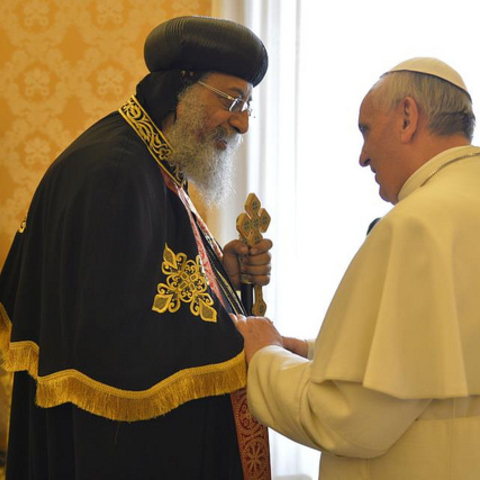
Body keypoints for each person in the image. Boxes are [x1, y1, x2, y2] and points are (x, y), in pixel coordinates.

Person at [0, 16, 273, 479]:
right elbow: (111, 334)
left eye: (248, 103)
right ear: (180, 89)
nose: (242, 122)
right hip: (112, 452)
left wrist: (221, 274)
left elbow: (145, 277)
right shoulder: (115, 172)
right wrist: (236, 335)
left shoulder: (148, 152)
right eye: (232, 99)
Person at [233, 57, 480, 479]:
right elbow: (434, 351)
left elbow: (347, 419)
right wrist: (316, 353)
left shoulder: (416, 224)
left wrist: (265, 356)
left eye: (366, 130)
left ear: (407, 117)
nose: (363, 157)